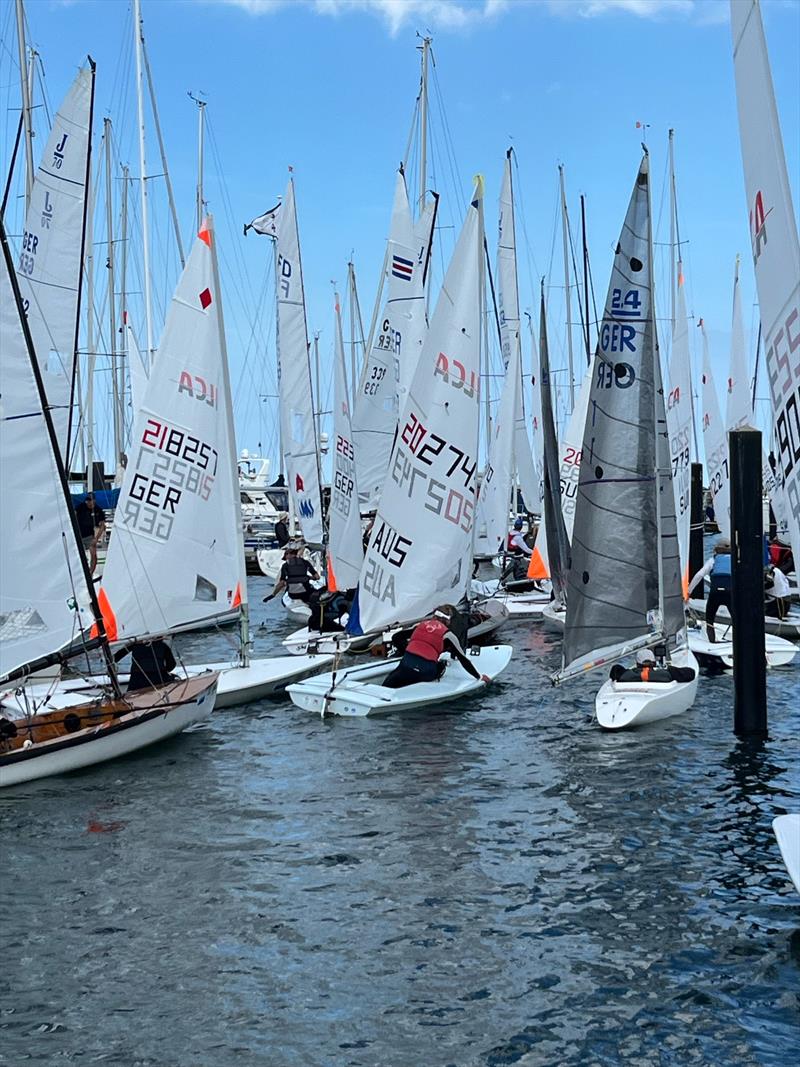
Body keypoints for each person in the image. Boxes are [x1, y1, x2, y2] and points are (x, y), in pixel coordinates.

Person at [382, 604, 491, 690]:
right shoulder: (448, 634)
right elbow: (463, 659)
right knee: (441, 666)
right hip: (426, 672)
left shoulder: (420, 626)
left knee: (389, 683)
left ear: (434, 616)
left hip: (405, 667)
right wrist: (479, 677)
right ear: (448, 621)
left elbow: (396, 637)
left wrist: (406, 651)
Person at [687, 537, 732, 643]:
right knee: (737, 618)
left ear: (716, 549)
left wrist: (688, 591)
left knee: (710, 619)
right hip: (730, 593)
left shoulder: (713, 560)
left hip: (715, 593)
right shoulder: (735, 561)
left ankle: (712, 641)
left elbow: (699, 575)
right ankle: (739, 642)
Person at [609, 647, 696, 684]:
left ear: (636, 664)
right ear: (654, 663)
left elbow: (615, 670)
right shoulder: (666, 674)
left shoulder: (624, 675)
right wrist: (670, 669)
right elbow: (691, 673)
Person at [74, 492, 106, 575]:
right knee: (79, 555)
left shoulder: (98, 510)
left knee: (93, 553)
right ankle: (81, 571)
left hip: (89, 536)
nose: (88, 503)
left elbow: (102, 526)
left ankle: (90, 573)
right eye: (87, 501)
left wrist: (96, 538)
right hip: (78, 536)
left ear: (94, 501)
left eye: (90, 500)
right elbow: (73, 516)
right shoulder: (81, 507)